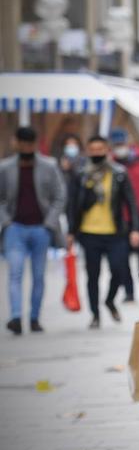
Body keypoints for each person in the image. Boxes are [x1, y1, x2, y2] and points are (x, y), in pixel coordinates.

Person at [67, 135, 139, 329]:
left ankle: (109, 300)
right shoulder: (81, 174)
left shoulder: (119, 173)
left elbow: (131, 202)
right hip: (88, 233)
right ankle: (95, 314)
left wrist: (135, 228)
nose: (97, 152)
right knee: (93, 274)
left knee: (118, 269)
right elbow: (72, 203)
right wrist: (71, 231)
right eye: (93, 149)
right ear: (87, 151)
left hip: (115, 232)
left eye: (101, 148)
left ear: (107, 150)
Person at [0, 127, 67, 335]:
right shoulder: (5, 168)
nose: (26, 147)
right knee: (15, 273)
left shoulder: (49, 166)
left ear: (35, 144)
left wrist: (49, 222)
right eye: (22, 143)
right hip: (15, 229)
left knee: (39, 276)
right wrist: (6, 221)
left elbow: (60, 196)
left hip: (41, 228)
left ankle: (35, 317)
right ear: (16, 143)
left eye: (29, 143)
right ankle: (16, 317)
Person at [107, 128, 139, 304]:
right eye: (116, 144)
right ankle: (128, 290)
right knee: (123, 255)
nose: (119, 147)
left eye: (122, 143)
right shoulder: (111, 164)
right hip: (121, 217)